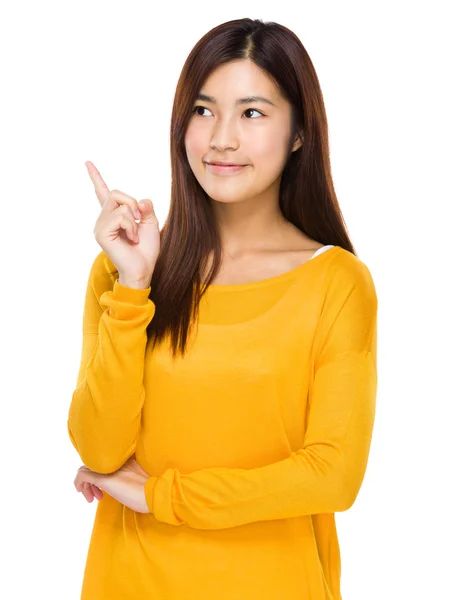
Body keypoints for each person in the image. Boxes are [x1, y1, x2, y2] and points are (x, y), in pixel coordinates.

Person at [68, 17, 378, 600]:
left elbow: (333, 476)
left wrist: (165, 496)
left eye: (252, 113)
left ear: (299, 133)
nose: (221, 139)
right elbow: (99, 448)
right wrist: (135, 286)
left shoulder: (335, 283)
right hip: (129, 581)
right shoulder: (123, 270)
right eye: (204, 111)